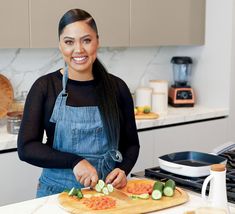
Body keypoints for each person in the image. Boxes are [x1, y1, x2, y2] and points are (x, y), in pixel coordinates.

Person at [17, 8, 140, 198]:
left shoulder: (117, 87)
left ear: (97, 42)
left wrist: (123, 169)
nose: (79, 50)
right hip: (56, 194)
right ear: (60, 45)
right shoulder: (45, 87)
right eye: (69, 42)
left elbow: (131, 144)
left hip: (107, 194)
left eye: (86, 40)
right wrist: (74, 161)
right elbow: (26, 148)